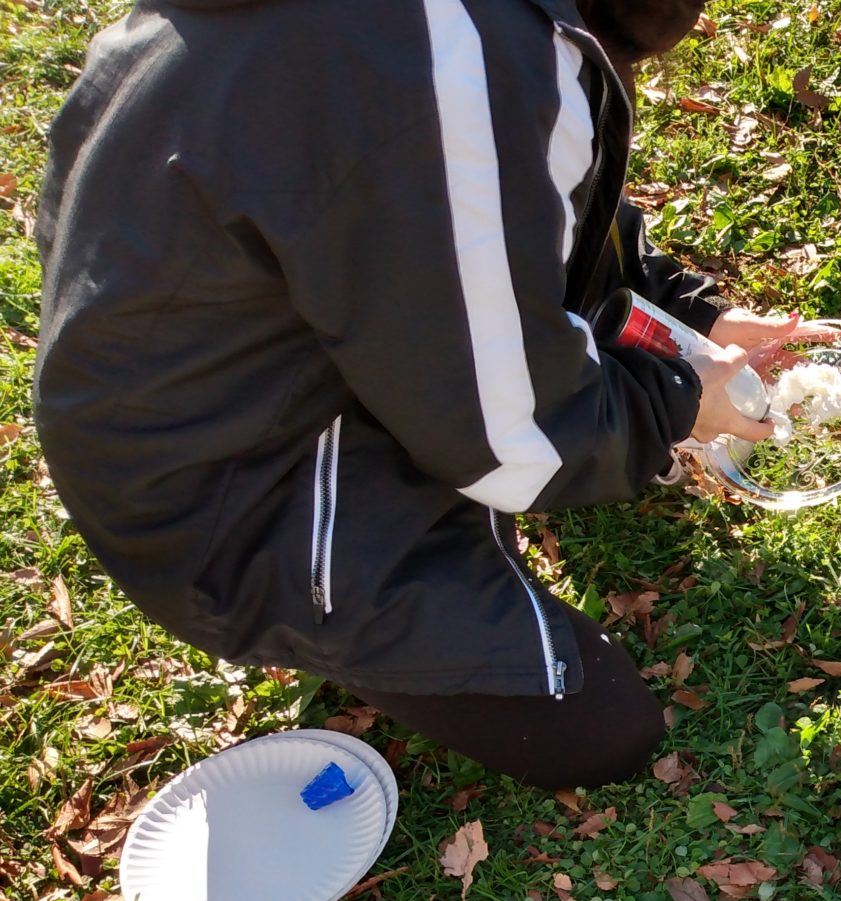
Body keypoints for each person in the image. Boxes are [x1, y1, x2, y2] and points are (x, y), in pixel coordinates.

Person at [34, 0, 788, 790]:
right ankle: (322, 618)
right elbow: (520, 447)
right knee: (600, 732)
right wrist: (674, 398)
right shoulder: (439, 52)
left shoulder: (437, 43)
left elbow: (503, 206)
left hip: (191, 379)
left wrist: (683, 312)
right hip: (222, 500)